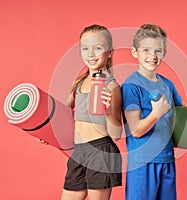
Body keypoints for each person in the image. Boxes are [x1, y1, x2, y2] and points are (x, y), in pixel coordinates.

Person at [121, 24, 183, 200]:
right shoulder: (131, 86)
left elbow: (183, 113)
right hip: (142, 163)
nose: (152, 56)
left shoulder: (168, 84)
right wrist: (156, 113)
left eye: (158, 51)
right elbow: (136, 130)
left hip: (166, 159)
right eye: (146, 50)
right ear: (135, 52)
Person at [61, 24, 123, 200]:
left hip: (100, 150)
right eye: (85, 48)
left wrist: (109, 110)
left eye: (98, 48)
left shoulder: (112, 86)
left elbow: (116, 135)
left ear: (109, 52)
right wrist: (44, 130)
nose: (91, 54)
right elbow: (61, 114)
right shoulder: (79, 84)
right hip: (79, 152)